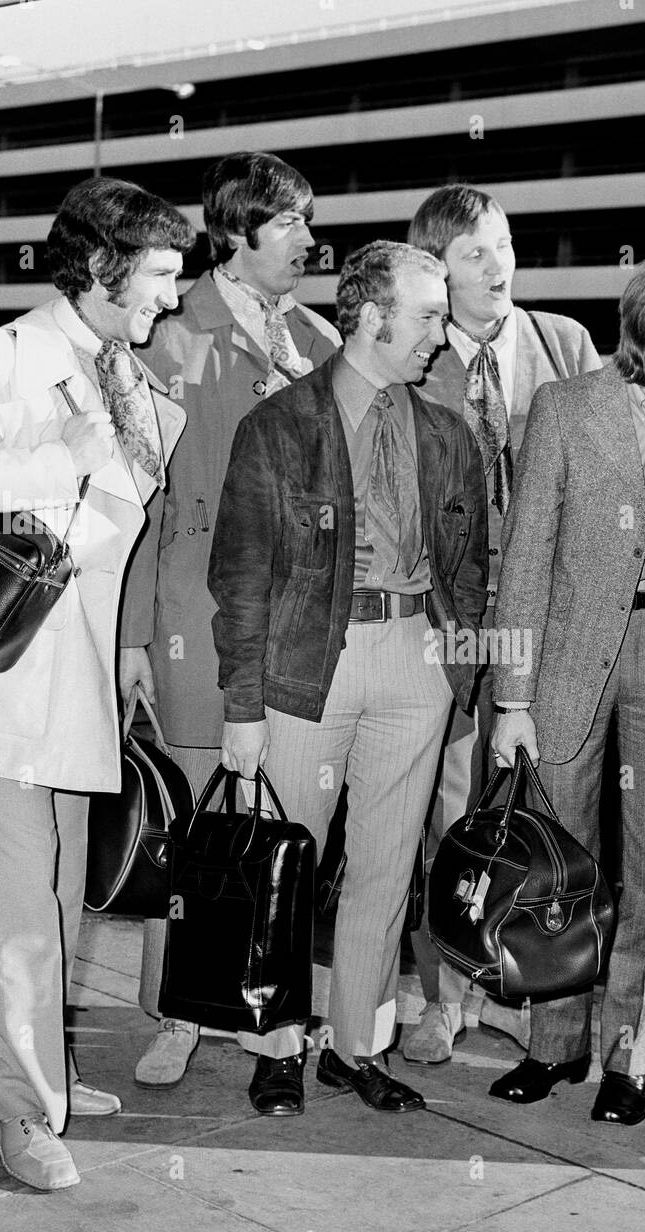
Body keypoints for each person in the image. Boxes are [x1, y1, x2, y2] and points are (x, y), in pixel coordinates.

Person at [0, 176, 193, 1189]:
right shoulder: (3, 355)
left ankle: (47, 1066)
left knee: (63, 900)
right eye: (160, 276)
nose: (173, 297)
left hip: (77, 686)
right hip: (10, 687)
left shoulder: (125, 374)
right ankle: (20, 1112)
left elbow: (112, 533)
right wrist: (51, 459)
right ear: (102, 266)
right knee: (23, 911)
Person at [208, 240, 488, 1115]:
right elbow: (241, 575)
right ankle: (279, 1045)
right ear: (370, 317)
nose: (441, 337)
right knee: (289, 863)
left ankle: (357, 1049)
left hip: (416, 660)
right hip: (306, 666)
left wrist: (462, 667)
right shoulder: (280, 426)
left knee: (386, 868)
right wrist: (242, 708)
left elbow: (471, 567)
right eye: (429, 316)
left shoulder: (448, 432)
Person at [489, 247, 645, 1125]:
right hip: (568, 656)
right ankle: (552, 1045)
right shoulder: (565, 409)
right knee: (559, 866)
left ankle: (628, 1061)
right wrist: (512, 698)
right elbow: (522, 562)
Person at [120, 152, 341, 1096]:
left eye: (306, 221)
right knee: (197, 830)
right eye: (288, 222)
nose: (306, 239)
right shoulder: (175, 340)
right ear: (236, 232)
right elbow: (140, 500)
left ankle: (265, 1008)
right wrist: (131, 635)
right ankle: (176, 1012)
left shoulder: (327, 344)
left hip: (297, 631)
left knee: (283, 828)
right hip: (193, 622)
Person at [404, 184, 602, 1063]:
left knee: (539, 805)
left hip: (547, 627)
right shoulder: (413, 356)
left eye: (504, 246)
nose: (499, 268)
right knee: (450, 809)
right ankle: (444, 996)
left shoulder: (565, 345)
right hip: (448, 623)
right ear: (436, 274)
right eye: (475, 255)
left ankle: (524, 982)